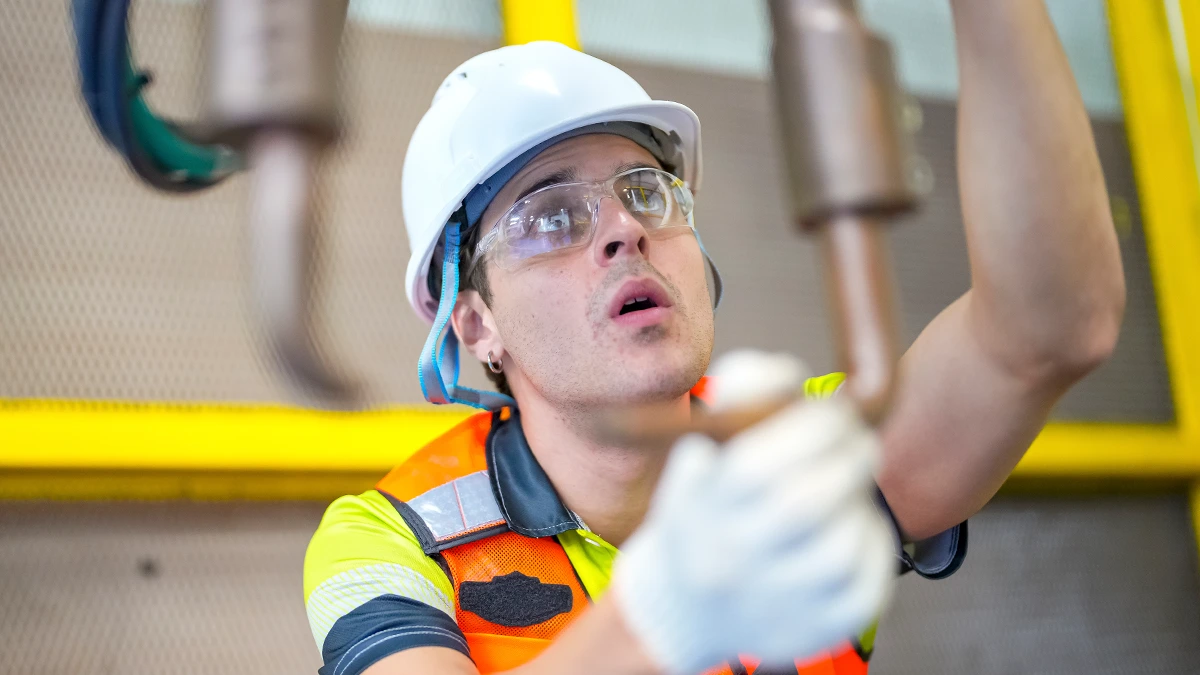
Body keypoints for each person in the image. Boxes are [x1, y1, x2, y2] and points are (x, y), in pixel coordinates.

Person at [303, 2, 1125, 673]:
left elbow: (1049, 324)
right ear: (474, 321)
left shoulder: (793, 453)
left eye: (646, 192)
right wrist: (672, 605)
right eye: (552, 216)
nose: (624, 229)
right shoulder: (392, 540)